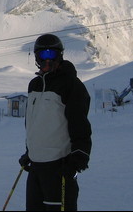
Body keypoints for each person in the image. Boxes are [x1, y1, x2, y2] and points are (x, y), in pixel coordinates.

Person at [18, 34, 92, 211]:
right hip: (36, 167)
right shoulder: (33, 85)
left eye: (52, 54)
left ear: (60, 55)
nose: (48, 60)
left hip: (59, 167)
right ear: (36, 58)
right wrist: (30, 152)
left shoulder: (70, 84)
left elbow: (80, 124)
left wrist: (78, 158)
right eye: (43, 55)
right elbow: (35, 123)